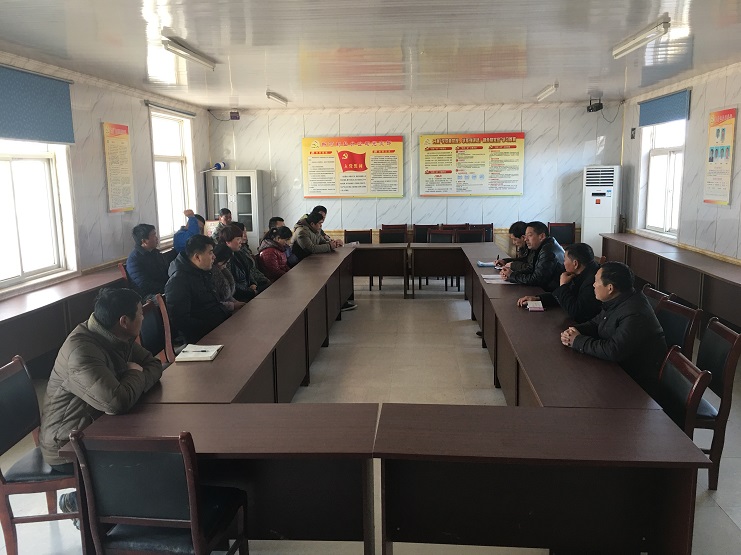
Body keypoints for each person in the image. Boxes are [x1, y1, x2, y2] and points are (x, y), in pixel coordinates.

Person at [39, 288, 163, 517]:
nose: (143, 317)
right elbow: (117, 402)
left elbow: (153, 364)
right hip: (66, 444)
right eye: (140, 313)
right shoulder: (82, 351)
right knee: (150, 459)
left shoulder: (115, 335)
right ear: (124, 321)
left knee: (157, 449)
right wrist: (134, 374)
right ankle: (84, 503)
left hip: (97, 426)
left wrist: (134, 378)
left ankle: (98, 503)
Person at [560, 262, 667, 396]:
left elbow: (613, 350)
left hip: (635, 383)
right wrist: (573, 331)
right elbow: (596, 323)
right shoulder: (619, 299)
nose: (593, 285)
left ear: (610, 288)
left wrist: (577, 341)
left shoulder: (634, 312)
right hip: (618, 368)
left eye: (596, 281)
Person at [165, 234, 231, 343]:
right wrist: (212, 325)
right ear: (197, 257)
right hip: (204, 337)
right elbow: (181, 321)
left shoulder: (202, 272)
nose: (214, 257)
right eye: (210, 253)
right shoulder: (178, 281)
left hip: (219, 325)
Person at [517, 242, 602, 323]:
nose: (563, 263)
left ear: (575, 264)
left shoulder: (593, 281)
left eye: (565, 260)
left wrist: (563, 286)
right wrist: (538, 298)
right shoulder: (582, 272)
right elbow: (563, 296)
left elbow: (577, 313)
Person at [293, 212, 356, 311]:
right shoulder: (302, 232)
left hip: (314, 261)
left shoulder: (315, 230)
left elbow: (322, 241)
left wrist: (333, 243)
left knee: (335, 276)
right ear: (312, 224)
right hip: (303, 266)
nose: (321, 226)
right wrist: (329, 246)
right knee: (329, 279)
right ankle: (334, 305)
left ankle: (339, 302)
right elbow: (312, 248)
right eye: (319, 223)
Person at [500, 221, 564, 292]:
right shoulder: (540, 246)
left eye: (529, 235)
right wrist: (511, 274)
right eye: (525, 236)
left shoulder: (548, 251)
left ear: (542, 236)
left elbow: (537, 279)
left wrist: (512, 275)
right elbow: (531, 269)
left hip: (552, 293)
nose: (525, 239)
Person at [125, 223, 169, 298]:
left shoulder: (155, 252)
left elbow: (167, 271)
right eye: (154, 235)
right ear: (144, 241)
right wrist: (168, 288)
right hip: (148, 296)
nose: (157, 238)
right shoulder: (133, 260)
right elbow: (145, 285)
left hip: (163, 289)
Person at [220, 224, 259, 302]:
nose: (241, 242)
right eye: (238, 239)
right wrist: (250, 292)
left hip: (248, 292)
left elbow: (248, 271)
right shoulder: (224, 260)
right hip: (238, 298)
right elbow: (232, 284)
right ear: (228, 242)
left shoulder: (240, 253)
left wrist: (253, 283)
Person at [232, 221, 271, 292]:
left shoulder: (244, 248)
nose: (245, 235)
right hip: (246, 288)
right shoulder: (234, 254)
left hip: (254, 282)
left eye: (245, 232)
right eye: (242, 232)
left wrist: (257, 282)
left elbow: (251, 269)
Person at [211, 243, 245, 313]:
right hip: (220, 312)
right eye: (224, 263)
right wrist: (233, 305)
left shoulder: (222, 271)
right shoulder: (211, 274)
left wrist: (236, 302)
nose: (225, 266)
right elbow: (215, 302)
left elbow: (228, 296)